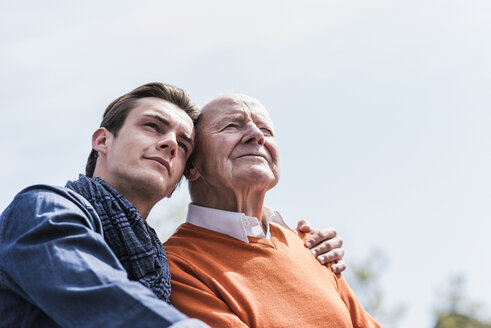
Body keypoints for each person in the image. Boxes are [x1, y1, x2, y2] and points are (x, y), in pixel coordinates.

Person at [0, 83, 344, 327]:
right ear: (103, 140)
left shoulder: (157, 267)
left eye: (183, 144)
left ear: (183, 177)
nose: (169, 144)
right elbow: (96, 293)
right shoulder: (45, 210)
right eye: (153, 126)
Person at [164, 93, 380, 327]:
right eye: (231, 126)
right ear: (191, 165)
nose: (256, 135)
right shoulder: (176, 265)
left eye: (266, 130)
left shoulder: (312, 247)